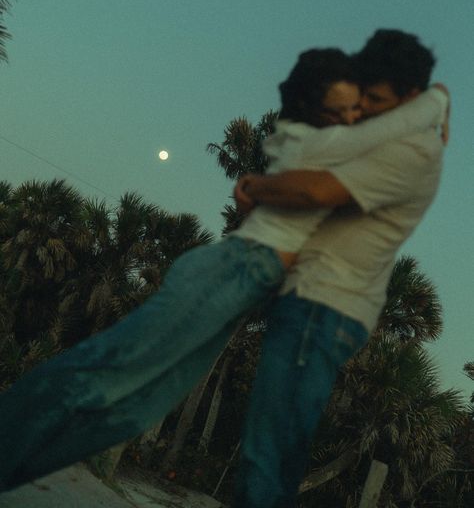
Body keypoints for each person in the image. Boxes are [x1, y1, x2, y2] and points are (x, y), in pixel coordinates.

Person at [0, 47, 446, 492]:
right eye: (340, 110)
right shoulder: (318, 141)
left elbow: (428, 100)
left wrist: (437, 101)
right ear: (311, 108)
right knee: (111, 368)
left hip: (247, 282)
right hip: (237, 266)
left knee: (134, 409)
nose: (352, 117)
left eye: (357, 108)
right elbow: (323, 186)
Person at [231, 29, 449, 508]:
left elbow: (317, 192)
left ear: (409, 98)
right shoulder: (383, 132)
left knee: (270, 453)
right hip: (313, 302)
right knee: (271, 450)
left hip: (322, 306)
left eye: (376, 99)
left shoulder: (412, 150)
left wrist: (256, 185)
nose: (364, 108)